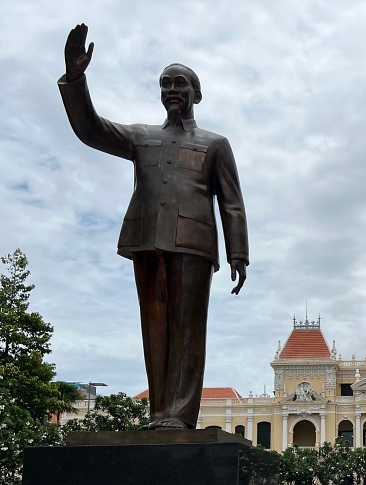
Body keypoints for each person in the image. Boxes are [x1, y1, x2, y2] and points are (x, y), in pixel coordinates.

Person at [58, 24, 249, 429]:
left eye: (180, 83)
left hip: (194, 243)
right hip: (146, 240)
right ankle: (159, 413)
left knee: (187, 330)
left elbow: (231, 202)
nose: (172, 90)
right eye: (165, 84)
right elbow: (91, 129)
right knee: (155, 330)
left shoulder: (215, 143)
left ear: (197, 94)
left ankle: (180, 415)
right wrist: (75, 79)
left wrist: (239, 253)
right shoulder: (139, 137)